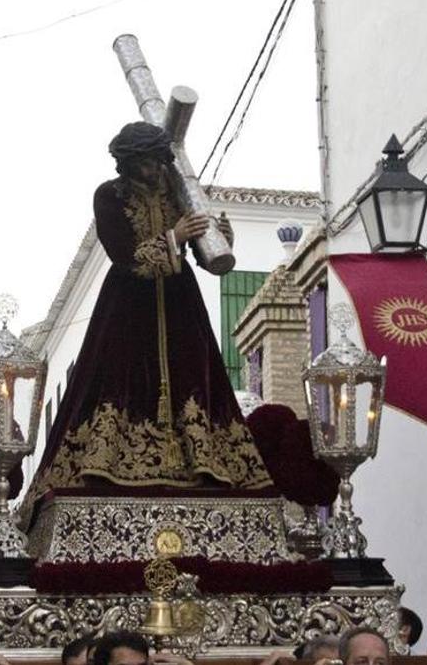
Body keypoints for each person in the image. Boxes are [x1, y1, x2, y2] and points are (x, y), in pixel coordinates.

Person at [22, 121, 272, 515]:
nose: (154, 170)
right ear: (130, 162)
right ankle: (105, 465)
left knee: (193, 375)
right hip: (128, 308)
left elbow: (208, 262)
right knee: (118, 381)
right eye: (146, 163)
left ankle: (201, 461)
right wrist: (174, 236)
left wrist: (220, 239)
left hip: (179, 304)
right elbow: (125, 254)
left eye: (159, 161)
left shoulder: (178, 194)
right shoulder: (109, 196)